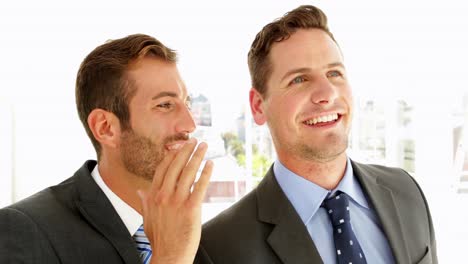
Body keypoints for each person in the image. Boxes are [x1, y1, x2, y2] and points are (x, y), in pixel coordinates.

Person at [197, 5, 437, 264]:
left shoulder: (406, 190)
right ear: (258, 106)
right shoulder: (219, 247)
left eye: (334, 73)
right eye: (299, 80)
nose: (327, 94)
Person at [0, 34, 213, 264]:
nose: (189, 124)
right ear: (105, 128)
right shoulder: (24, 231)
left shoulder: (195, 233)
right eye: (164, 105)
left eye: (187, 104)